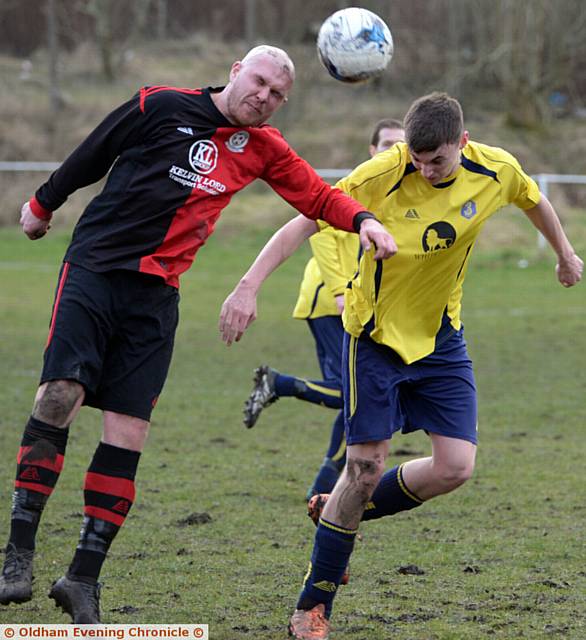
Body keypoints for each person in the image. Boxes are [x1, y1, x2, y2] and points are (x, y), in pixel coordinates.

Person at [0, 45, 397, 624]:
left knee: (127, 434)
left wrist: (363, 220)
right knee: (59, 397)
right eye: (259, 82)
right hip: (94, 271)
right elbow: (92, 154)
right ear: (237, 71)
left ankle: (82, 578)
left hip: (156, 298)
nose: (264, 97)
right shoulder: (158, 104)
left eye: (277, 94)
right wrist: (42, 204)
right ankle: (17, 555)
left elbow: (316, 195)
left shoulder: (264, 146)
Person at [218, 92, 583, 640]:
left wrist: (564, 252)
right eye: (416, 158)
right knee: (362, 469)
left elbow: (533, 199)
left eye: (436, 160)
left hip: (441, 339)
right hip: (374, 339)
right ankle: (312, 606)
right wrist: (248, 285)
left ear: (462, 143)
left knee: (455, 467)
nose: (423, 168)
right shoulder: (380, 175)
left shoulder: (495, 168)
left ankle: (340, 511)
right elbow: (303, 222)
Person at [243, 119, 405, 500]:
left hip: (360, 305)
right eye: (385, 143)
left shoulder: (396, 191)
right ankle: (278, 384)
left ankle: (322, 485)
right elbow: (324, 235)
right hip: (330, 301)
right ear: (371, 149)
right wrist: (338, 290)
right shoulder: (358, 185)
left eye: (399, 145)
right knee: (352, 396)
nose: (391, 151)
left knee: (352, 399)